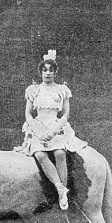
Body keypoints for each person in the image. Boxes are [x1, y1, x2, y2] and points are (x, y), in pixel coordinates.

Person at [14, 49, 87, 210]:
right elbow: (28, 113)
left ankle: (63, 194)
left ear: (55, 72)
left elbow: (66, 113)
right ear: (40, 72)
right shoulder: (33, 90)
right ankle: (60, 187)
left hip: (56, 124)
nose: (47, 73)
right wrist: (38, 131)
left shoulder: (62, 90)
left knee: (60, 153)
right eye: (44, 70)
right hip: (38, 125)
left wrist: (54, 130)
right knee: (40, 154)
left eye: (50, 70)